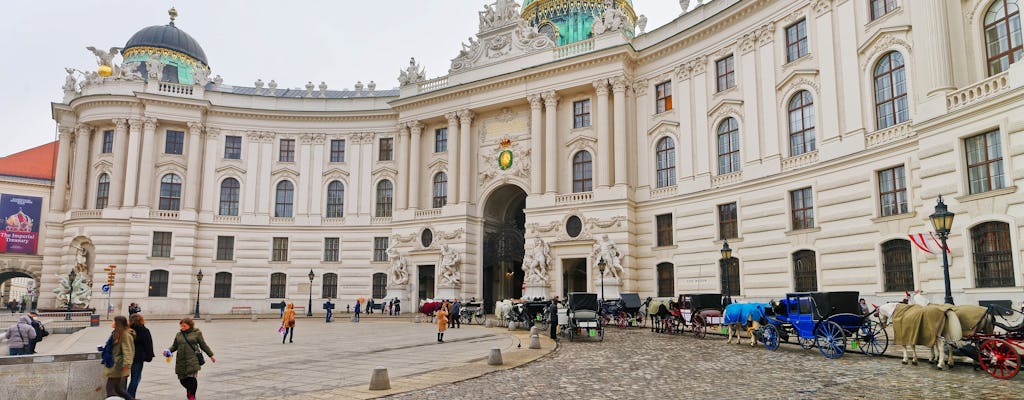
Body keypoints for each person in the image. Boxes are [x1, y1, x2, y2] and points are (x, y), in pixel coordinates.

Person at [165, 317, 215, 400]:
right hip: (181, 360)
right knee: (182, 379)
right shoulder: (179, 334)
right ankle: (190, 391)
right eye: (181, 326)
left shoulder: (197, 333)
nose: (182, 328)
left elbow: (203, 345)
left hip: (193, 359)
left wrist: (211, 355)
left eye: (184, 326)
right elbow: (174, 346)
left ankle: (191, 396)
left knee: (191, 378)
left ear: (190, 325)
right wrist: (168, 351)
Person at [101, 315, 134, 400]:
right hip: (114, 364)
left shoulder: (125, 335)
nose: (112, 323)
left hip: (118, 365)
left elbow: (128, 351)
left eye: (114, 321)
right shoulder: (116, 333)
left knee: (110, 389)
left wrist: (127, 365)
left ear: (118, 324)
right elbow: (112, 347)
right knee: (118, 389)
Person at [127, 313, 154, 399]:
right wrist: (149, 356)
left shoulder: (127, 330)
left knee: (125, 378)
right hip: (137, 357)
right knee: (136, 378)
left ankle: (127, 395)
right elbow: (148, 344)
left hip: (127, 357)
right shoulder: (143, 330)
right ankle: (130, 396)